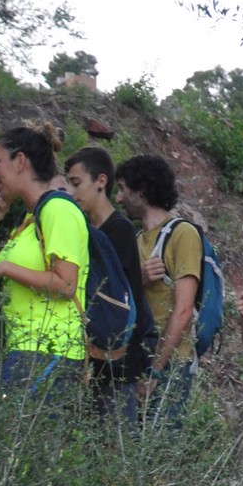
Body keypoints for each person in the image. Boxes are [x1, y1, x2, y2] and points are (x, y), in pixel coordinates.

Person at [0, 126, 88, 394]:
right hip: (24, 351)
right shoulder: (29, 220)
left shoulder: (58, 209)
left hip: (48, 350)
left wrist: (7, 267)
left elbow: (66, 284)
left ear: (20, 161)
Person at [65, 146, 151, 420]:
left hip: (117, 363)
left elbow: (113, 297)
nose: (71, 191)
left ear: (101, 181)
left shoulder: (120, 230)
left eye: (76, 183)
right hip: (96, 360)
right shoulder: (88, 230)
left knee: (113, 438)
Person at [117, 154, 202, 425]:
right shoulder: (135, 239)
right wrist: (139, 279)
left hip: (171, 363)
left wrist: (155, 370)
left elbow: (184, 310)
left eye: (122, 189)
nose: (118, 198)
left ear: (141, 191)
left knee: (161, 441)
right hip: (138, 360)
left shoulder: (183, 234)